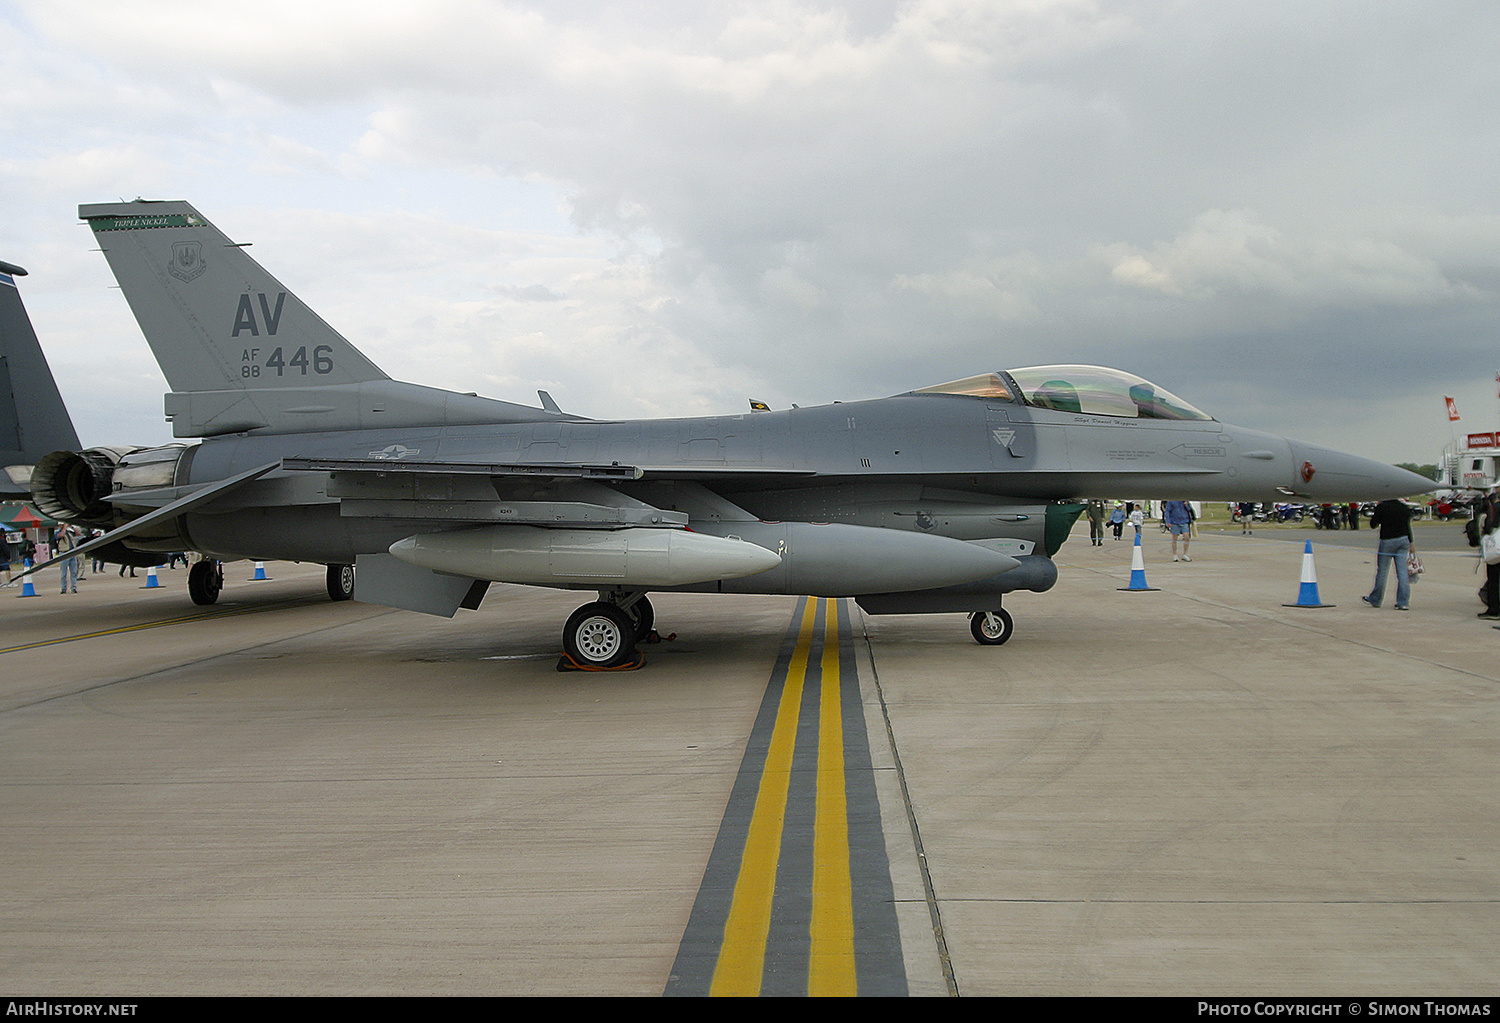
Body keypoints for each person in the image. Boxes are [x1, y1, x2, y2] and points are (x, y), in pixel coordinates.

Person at [1363, 498, 1414, 611]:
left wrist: (1378, 509)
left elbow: (1373, 524)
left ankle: (1376, 599)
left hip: (1388, 540)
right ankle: (1403, 602)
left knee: (1383, 571)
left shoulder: (1383, 507)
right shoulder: (1404, 507)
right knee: (1402, 572)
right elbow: (1407, 526)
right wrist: (1411, 543)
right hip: (1403, 539)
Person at [1478, 488, 1500, 621]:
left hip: (1496, 549)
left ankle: (1494, 609)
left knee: (1493, 579)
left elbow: (1488, 526)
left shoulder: (1494, 509)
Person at [56, 525, 80, 594]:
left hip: (72, 552)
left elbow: (78, 533)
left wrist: (72, 527)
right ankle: (63, 588)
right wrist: (64, 528)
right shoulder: (57, 532)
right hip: (64, 553)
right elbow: (61, 535)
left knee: (74, 572)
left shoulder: (70, 532)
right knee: (63, 573)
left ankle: (73, 587)